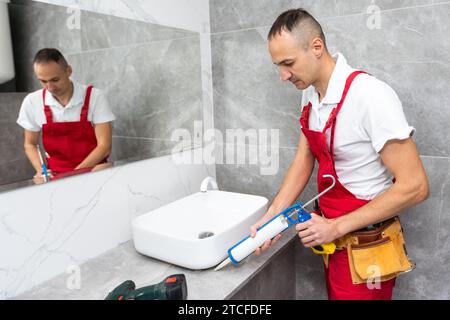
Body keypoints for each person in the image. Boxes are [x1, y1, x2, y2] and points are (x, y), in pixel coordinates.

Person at [250, 9, 429, 300]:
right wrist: (272, 218)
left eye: (288, 63)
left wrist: (334, 227)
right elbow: (303, 159)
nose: (283, 76)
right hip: (335, 245)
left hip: (368, 249)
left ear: (317, 47)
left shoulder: (370, 96)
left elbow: (416, 186)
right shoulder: (311, 94)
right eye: (278, 66)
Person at [17, 48, 115, 184]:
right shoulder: (32, 101)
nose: (50, 87)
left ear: (68, 71)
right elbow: (30, 144)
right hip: (56, 175)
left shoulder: (94, 96)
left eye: (55, 80)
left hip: (91, 170)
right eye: (43, 81)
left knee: (104, 169)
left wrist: (76, 175)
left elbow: (104, 146)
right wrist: (41, 171)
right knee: (38, 181)